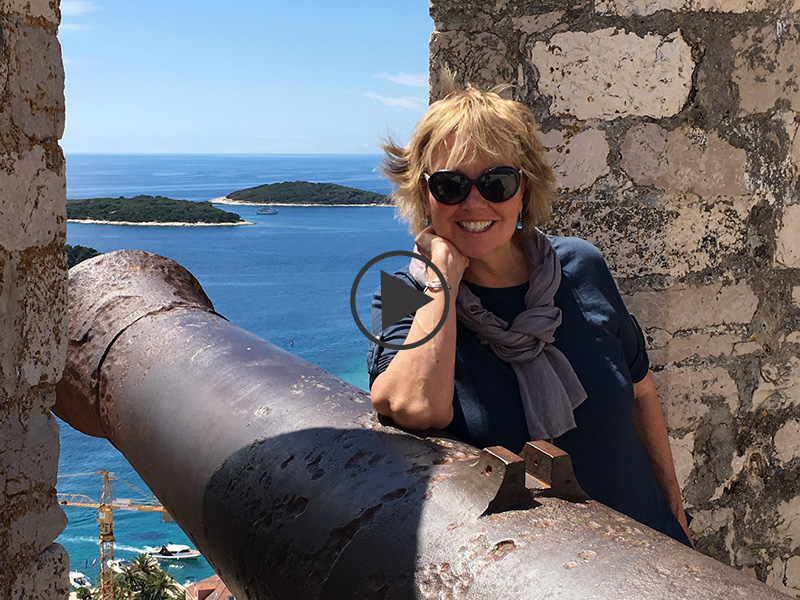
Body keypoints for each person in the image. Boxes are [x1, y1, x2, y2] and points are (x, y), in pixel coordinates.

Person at [366, 85, 693, 547]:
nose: (474, 203)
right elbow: (414, 405)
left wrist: (675, 510)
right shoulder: (405, 292)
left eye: (496, 183)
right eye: (451, 184)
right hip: (537, 576)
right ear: (424, 194)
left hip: (652, 547)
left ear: (525, 189)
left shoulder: (582, 267)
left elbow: (641, 390)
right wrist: (443, 276)